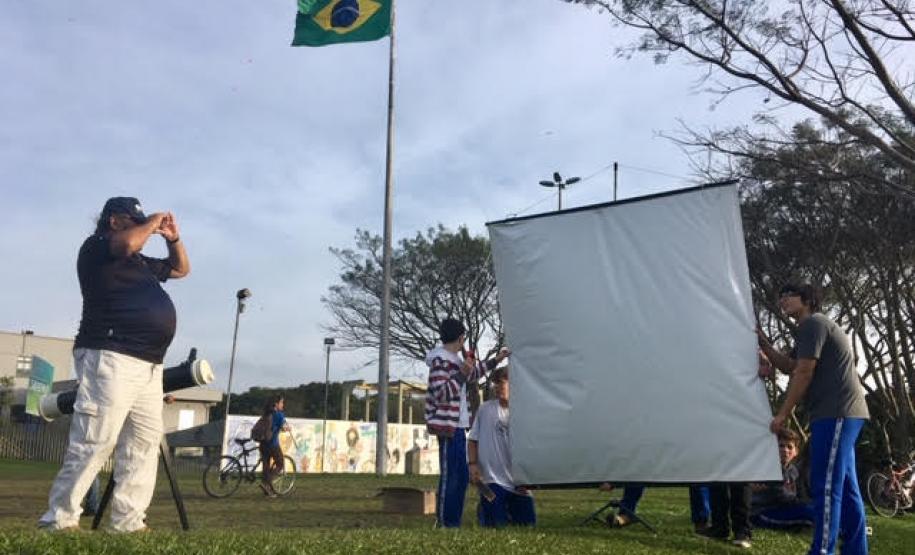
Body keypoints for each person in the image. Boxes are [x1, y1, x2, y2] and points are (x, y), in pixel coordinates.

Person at [38, 197, 190, 532]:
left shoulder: (138, 260)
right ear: (114, 222)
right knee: (96, 438)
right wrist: (150, 221)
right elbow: (128, 243)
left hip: (150, 364)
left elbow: (180, 269)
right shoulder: (98, 248)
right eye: (133, 221)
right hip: (111, 352)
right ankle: (59, 520)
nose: (140, 227)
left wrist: (173, 238)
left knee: (143, 443)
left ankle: (128, 522)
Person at [758, 283, 869, 555]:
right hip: (843, 414)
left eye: (789, 295)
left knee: (826, 485)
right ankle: (856, 550)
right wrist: (764, 343)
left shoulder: (813, 325)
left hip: (835, 413)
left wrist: (783, 413)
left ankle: (822, 550)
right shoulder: (810, 329)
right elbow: (790, 366)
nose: (782, 300)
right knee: (845, 485)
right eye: (780, 295)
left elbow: (804, 373)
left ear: (807, 299)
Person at [425, 317, 509, 528]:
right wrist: (462, 373)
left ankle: (452, 521)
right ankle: (445, 522)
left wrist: (496, 360)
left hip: (458, 426)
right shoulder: (440, 361)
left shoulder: (453, 360)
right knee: (451, 477)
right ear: (461, 338)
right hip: (447, 427)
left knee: (461, 477)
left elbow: (473, 373)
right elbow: (442, 394)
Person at [467, 366, 535, 527]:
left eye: (501, 383)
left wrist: (529, 477)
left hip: (518, 482)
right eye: (495, 383)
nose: (496, 387)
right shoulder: (485, 409)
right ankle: (484, 511)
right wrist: (473, 465)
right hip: (490, 481)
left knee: (527, 525)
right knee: (495, 524)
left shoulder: (525, 411)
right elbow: (472, 440)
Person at [751, 428, 814, 529]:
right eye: (781, 446)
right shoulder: (770, 468)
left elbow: (799, 492)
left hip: (781, 507)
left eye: (789, 447)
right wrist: (800, 503)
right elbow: (780, 494)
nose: (785, 450)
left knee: (812, 509)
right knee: (809, 513)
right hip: (761, 512)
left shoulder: (793, 471)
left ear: (796, 452)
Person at [258, 395, 290, 497]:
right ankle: (267, 483)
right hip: (272, 444)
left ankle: (266, 489)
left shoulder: (266, 413)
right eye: (281, 403)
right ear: (276, 404)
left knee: (266, 467)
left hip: (263, 443)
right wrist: (288, 428)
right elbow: (284, 427)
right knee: (280, 464)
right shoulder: (279, 415)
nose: (283, 405)